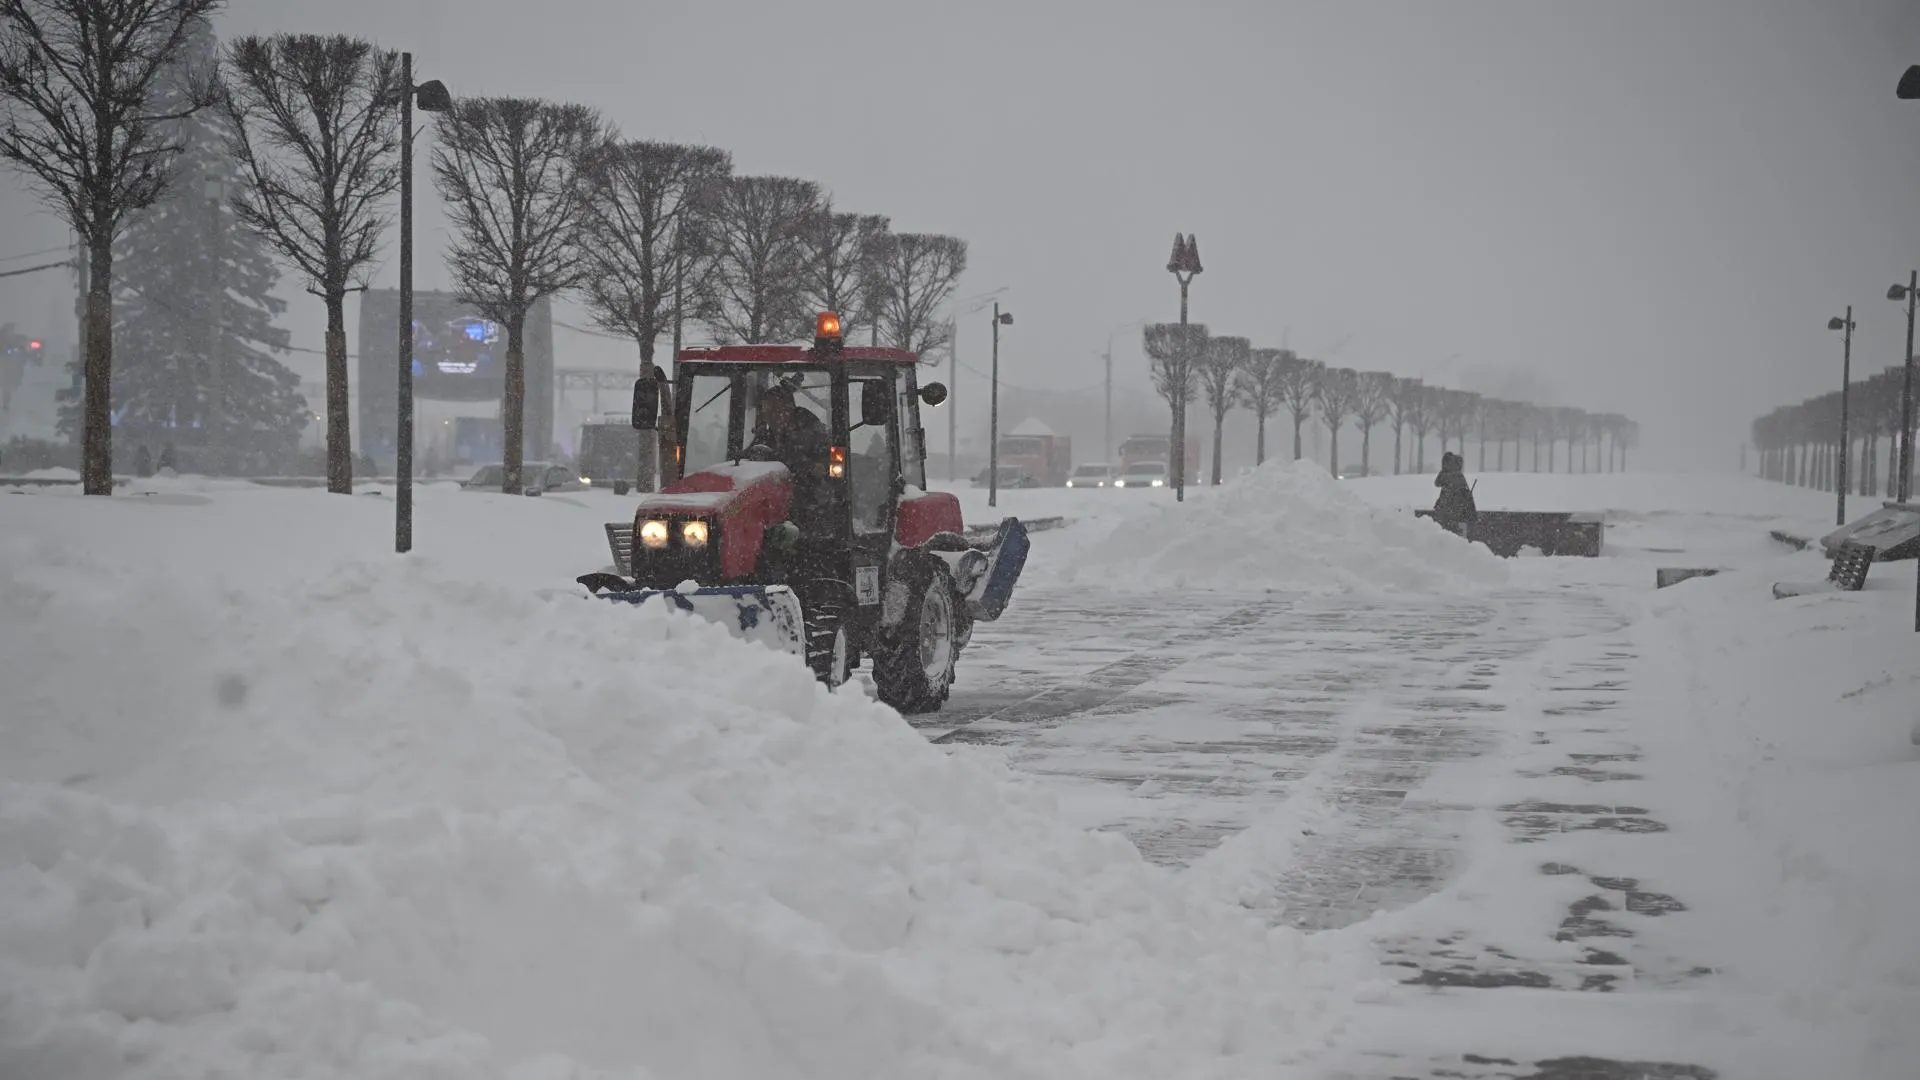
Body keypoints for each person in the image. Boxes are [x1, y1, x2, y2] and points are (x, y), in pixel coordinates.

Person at [1432, 451, 1477, 537]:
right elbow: (1467, 496)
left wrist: (1443, 470)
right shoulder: (1459, 476)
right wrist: (1472, 514)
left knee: (1447, 539)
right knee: (1459, 539)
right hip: (1460, 515)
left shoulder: (1447, 475)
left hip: (1447, 515)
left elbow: (1437, 482)